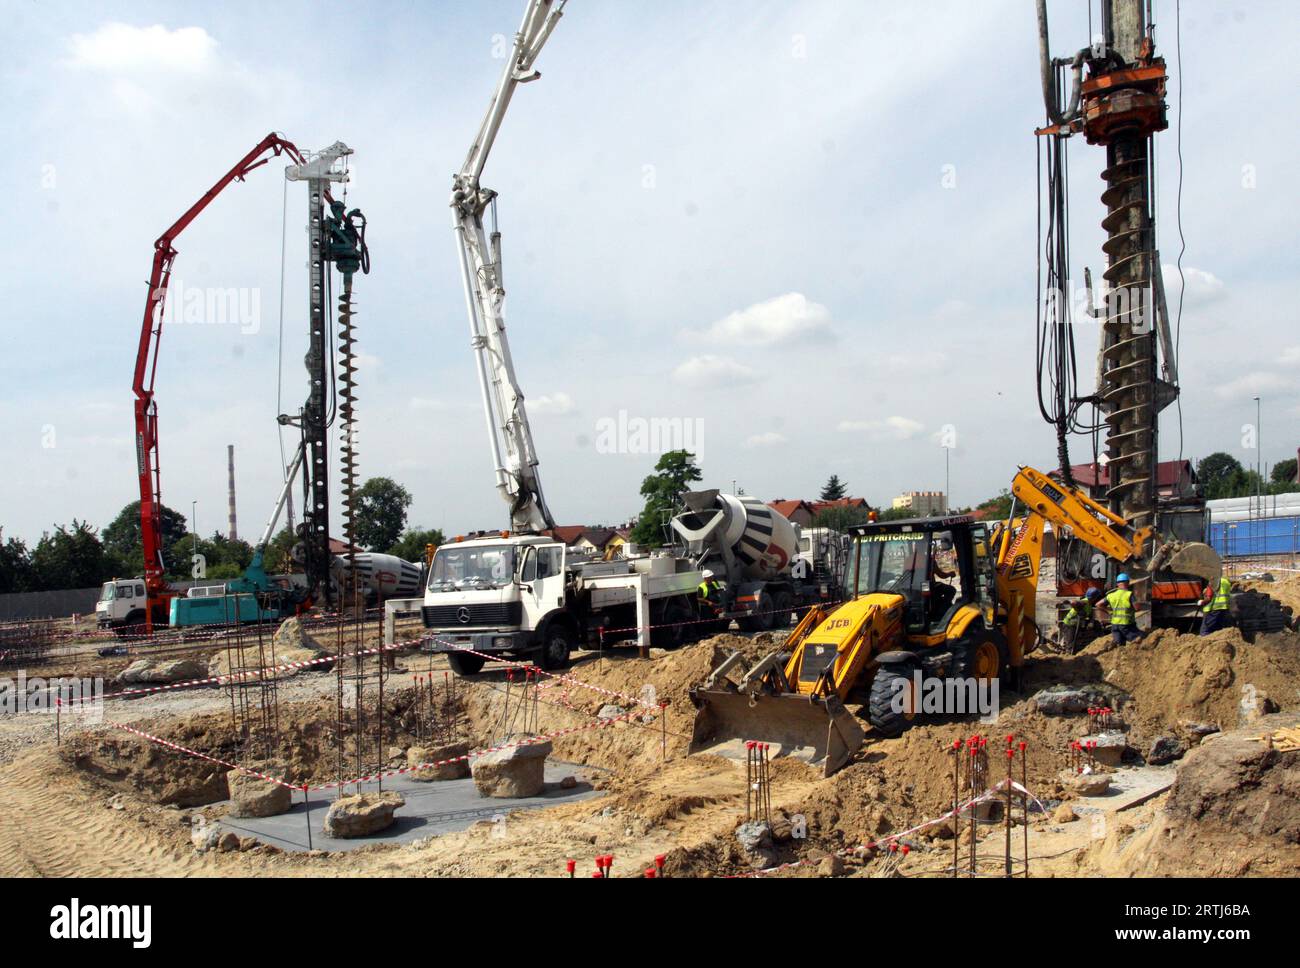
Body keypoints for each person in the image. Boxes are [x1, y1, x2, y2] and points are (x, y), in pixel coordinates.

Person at [1096, 573, 1142, 645]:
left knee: (1119, 645)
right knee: (1140, 638)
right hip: (1127, 625)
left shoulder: (1111, 595)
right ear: (1127, 583)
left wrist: (1109, 611)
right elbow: (1137, 608)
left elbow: (1098, 604)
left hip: (1115, 625)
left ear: (1117, 584)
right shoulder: (1129, 594)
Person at [1060, 587, 1101, 653]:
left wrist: (1091, 621)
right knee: (1070, 644)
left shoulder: (1089, 604)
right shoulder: (1085, 601)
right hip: (1069, 624)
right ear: (1094, 597)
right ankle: (1069, 655)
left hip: (1075, 624)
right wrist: (1080, 610)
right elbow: (1073, 603)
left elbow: (1089, 615)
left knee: (1075, 642)